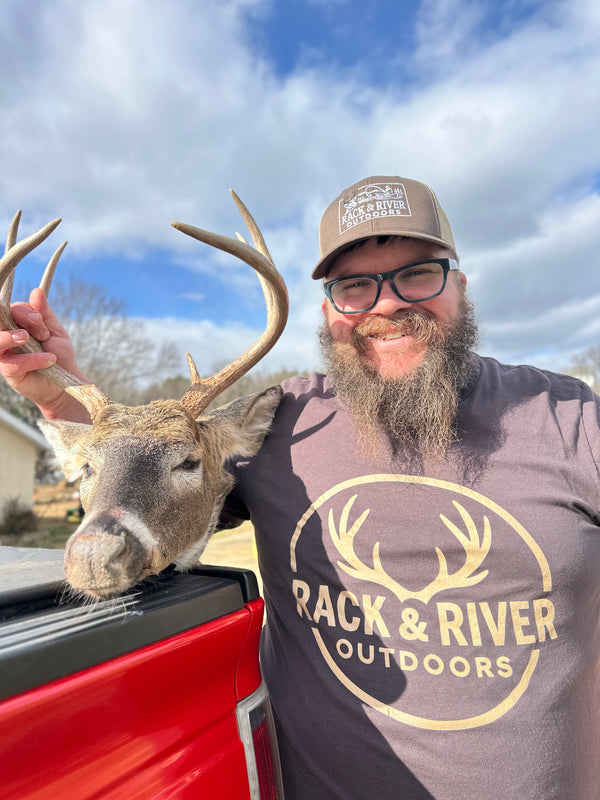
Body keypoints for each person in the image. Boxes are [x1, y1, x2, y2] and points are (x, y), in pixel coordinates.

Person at [1, 175, 599, 799]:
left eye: (418, 273)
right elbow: (146, 486)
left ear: (462, 284)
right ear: (328, 310)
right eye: (354, 286)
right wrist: (59, 397)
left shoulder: (571, 419)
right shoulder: (282, 423)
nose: (387, 304)